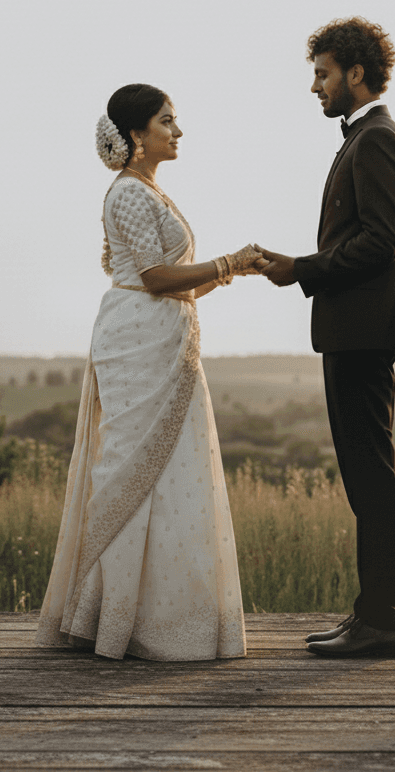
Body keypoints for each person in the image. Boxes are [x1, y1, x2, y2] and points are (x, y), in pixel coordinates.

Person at [35, 84, 262, 660]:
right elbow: (157, 279)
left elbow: (179, 285)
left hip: (167, 339)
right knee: (132, 472)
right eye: (168, 121)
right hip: (137, 343)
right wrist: (228, 260)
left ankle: (166, 619)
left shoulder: (152, 190)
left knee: (177, 475)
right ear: (137, 135)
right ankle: (114, 619)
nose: (178, 131)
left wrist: (234, 273)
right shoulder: (129, 195)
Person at [258, 17, 395, 657]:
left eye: (322, 74)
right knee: (363, 480)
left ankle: (381, 624)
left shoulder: (377, 139)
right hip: (351, 333)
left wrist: (301, 269)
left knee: (371, 482)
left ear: (355, 73)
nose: (315, 87)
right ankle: (370, 615)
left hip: (362, 335)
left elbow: (381, 242)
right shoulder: (364, 137)